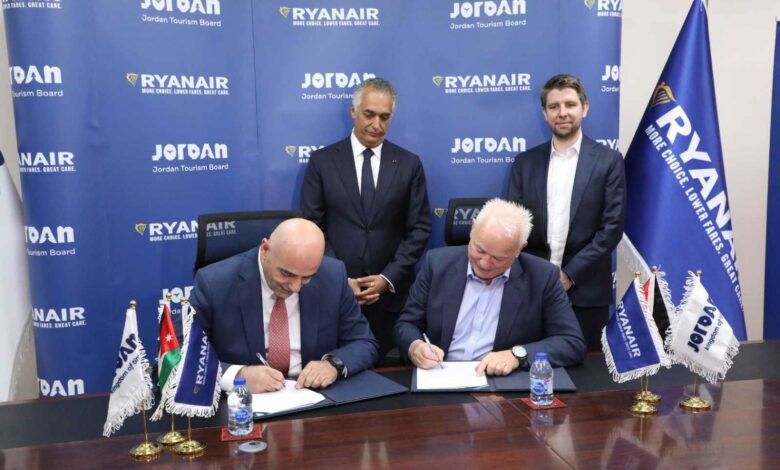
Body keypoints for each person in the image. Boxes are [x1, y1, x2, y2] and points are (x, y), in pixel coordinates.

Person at [301, 77, 432, 364]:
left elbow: (420, 228)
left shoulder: (409, 164)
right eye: (369, 114)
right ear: (353, 111)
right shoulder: (322, 161)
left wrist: (388, 278)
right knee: (337, 369)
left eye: (384, 117)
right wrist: (340, 278)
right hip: (335, 295)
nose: (376, 124)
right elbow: (312, 226)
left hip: (391, 300)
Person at [394, 199, 586, 374]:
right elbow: (406, 324)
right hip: (440, 375)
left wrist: (516, 356)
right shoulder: (437, 264)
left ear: (519, 249)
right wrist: (415, 346)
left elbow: (571, 342)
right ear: (472, 228)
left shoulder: (543, 276)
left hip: (500, 385)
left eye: (498, 258)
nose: (485, 263)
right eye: (479, 249)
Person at [189, 218, 379, 394]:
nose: (295, 287)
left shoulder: (333, 275)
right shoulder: (214, 283)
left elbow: (364, 342)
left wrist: (333, 365)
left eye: (306, 277)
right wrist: (238, 375)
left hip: (315, 397)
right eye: (286, 274)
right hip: (243, 402)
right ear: (265, 250)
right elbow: (182, 356)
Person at [507, 74, 626, 351]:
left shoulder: (608, 161)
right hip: (531, 290)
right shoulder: (525, 163)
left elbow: (611, 229)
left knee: (587, 372)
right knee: (529, 365)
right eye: (554, 106)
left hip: (586, 293)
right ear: (545, 113)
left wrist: (569, 275)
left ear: (584, 108)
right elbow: (514, 225)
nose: (562, 113)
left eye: (570, 105)